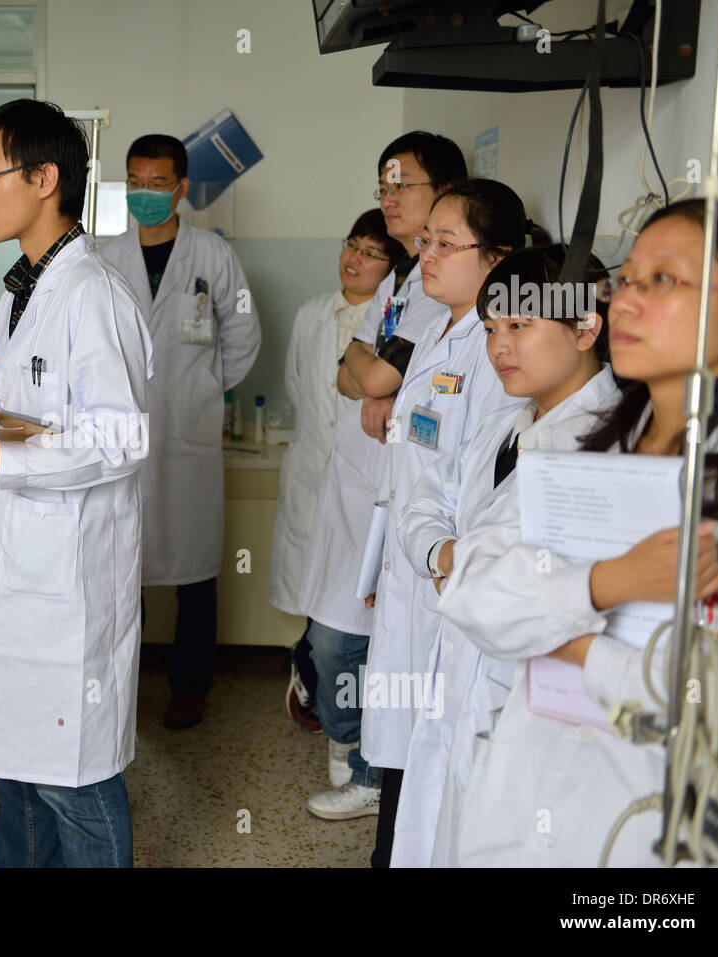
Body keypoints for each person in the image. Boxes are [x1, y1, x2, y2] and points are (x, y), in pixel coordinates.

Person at [442, 198, 718, 866]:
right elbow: (470, 587)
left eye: (663, 281)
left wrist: (573, 644)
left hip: (655, 835)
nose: (627, 303)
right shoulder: (586, 450)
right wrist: (608, 583)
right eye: (628, 280)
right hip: (520, 808)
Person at [0, 99, 151, 867]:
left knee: (74, 782)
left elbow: (117, 437)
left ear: (45, 177)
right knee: (16, 774)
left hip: (68, 585)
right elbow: (37, 417)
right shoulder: (20, 293)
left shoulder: (93, 294)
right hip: (18, 569)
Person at [391, 244, 618, 866]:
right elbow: (421, 504)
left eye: (519, 325)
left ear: (585, 325)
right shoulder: (506, 426)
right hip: (465, 688)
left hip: (532, 711)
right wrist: (443, 556)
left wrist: (465, 567)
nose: (498, 347)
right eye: (492, 328)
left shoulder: (610, 446)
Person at [356, 179, 536, 865]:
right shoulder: (437, 327)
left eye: (444, 242)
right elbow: (412, 478)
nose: (424, 253)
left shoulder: (500, 356)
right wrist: (384, 564)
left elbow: (475, 488)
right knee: (406, 764)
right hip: (413, 574)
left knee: (431, 774)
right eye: (425, 240)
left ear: (498, 258)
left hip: (448, 592)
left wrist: (426, 562)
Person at [302, 132, 467, 823]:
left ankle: (369, 770)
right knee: (338, 639)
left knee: (357, 643)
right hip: (361, 487)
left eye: (404, 185)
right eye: (384, 186)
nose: (390, 198)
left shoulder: (434, 289)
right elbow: (353, 372)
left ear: (446, 193)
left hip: (401, 497)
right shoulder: (401, 277)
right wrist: (369, 378)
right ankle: (361, 758)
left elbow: (369, 370)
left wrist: (371, 378)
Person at [100, 133, 262, 730]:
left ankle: (190, 687)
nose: (146, 194)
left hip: (188, 431)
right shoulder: (104, 258)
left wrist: (203, 388)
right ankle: (121, 688)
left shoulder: (213, 256)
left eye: (158, 184)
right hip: (120, 433)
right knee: (123, 563)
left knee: (195, 569)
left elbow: (244, 335)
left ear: (182, 188)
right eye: (136, 183)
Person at [270, 209, 406, 731]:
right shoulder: (311, 313)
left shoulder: (396, 320)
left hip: (363, 480)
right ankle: (313, 686)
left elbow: (367, 387)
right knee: (316, 600)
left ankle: (346, 727)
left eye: (371, 253)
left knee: (349, 612)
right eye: (351, 246)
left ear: (392, 268)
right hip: (309, 470)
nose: (355, 259)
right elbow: (297, 382)